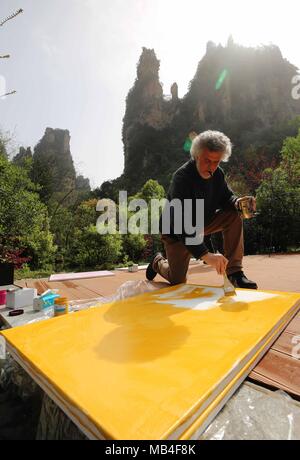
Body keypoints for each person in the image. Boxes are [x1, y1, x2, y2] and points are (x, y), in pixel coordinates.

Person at [146, 130, 257, 289]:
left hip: (202, 223)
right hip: (175, 231)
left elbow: (226, 197)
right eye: (207, 160)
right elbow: (181, 224)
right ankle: (157, 262)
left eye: (216, 161)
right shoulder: (181, 178)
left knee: (233, 214)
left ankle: (235, 273)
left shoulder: (218, 174)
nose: (211, 167)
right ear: (197, 155)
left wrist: (238, 202)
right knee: (177, 281)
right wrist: (207, 256)